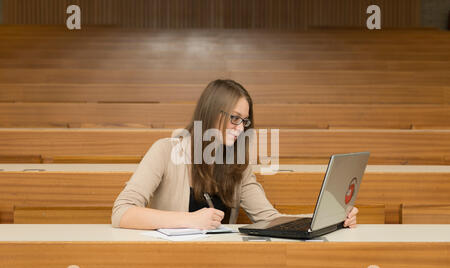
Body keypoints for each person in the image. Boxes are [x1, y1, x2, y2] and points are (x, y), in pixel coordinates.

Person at [112, 79, 358, 230]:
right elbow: (122, 213)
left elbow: (269, 218)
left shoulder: (239, 164)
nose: (240, 129)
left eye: (244, 121)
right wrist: (188, 220)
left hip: (222, 262)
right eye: (234, 119)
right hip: (170, 262)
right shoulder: (165, 151)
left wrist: (330, 218)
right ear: (211, 114)